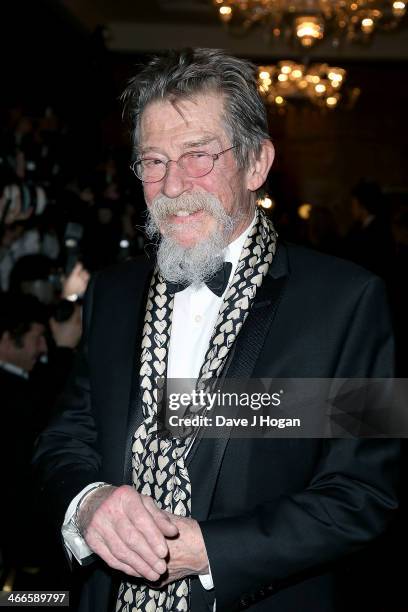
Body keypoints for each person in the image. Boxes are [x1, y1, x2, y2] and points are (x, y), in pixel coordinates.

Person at [33, 49, 399, 612]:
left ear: (256, 163)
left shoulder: (348, 300)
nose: (173, 186)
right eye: (152, 161)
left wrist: (213, 549)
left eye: (198, 156)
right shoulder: (112, 292)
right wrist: (88, 502)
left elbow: (363, 492)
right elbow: (66, 436)